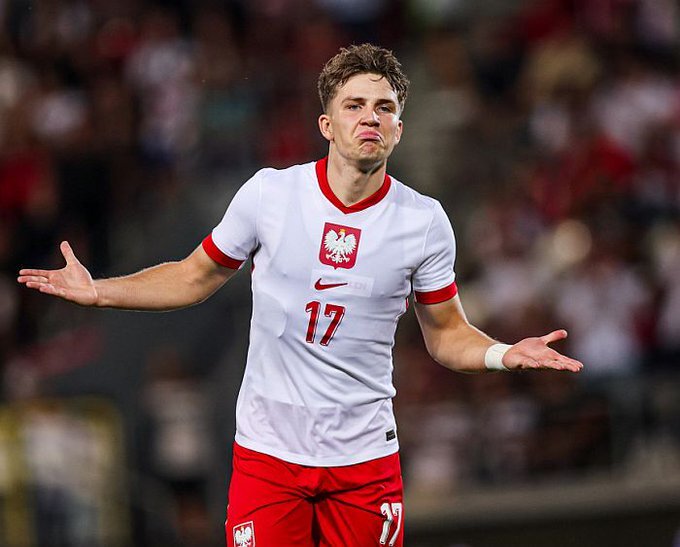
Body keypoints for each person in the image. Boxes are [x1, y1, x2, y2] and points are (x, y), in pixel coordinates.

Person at [18, 43, 583, 547]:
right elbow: (193, 276)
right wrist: (100, 291)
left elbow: (447, 335)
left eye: (384, 107)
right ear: (326, 125)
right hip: (269, 455)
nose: (370, 117)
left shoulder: (424, 222)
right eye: (354, 105)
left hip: (364, 460)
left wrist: (502, 352)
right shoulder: (269, 195)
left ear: (399, 129)